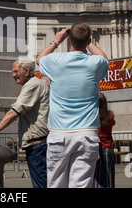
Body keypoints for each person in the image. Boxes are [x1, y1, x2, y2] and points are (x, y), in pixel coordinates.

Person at [36, 23, 109, 188]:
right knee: (82, 185)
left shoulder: (55, 61)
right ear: (88, 40)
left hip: (59, 133)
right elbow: (104, 58)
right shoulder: (95, 63)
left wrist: (56, 41)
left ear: (68, 39)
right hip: (87, 133)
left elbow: (39, 59)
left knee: (55, 184)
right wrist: (88, 42)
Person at [0, 59, 49, 188]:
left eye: (16, 71)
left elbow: (14, 112)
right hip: (39, 143)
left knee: (41, 183)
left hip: (37, 144)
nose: (13, 75)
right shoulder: (35, 84)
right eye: (12, 72)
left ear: (27, 71)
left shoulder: (32, 85)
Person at [93, 93, 115, 188]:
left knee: (96, 175)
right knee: (108, 175)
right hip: (107, 147)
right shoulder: (109, 115)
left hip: (97, 147)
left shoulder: (94, 115)